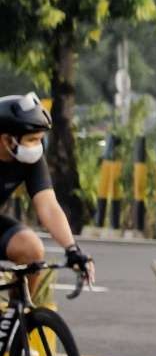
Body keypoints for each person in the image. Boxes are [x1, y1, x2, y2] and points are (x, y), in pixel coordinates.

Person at [0, 92, 93, 285]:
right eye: (32, 139)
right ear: (7, 139)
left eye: (40, 139)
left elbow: (48, 206)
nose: (38, 146)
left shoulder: (29, 159)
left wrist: (72, 249)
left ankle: (19, 313)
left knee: (32, 249)